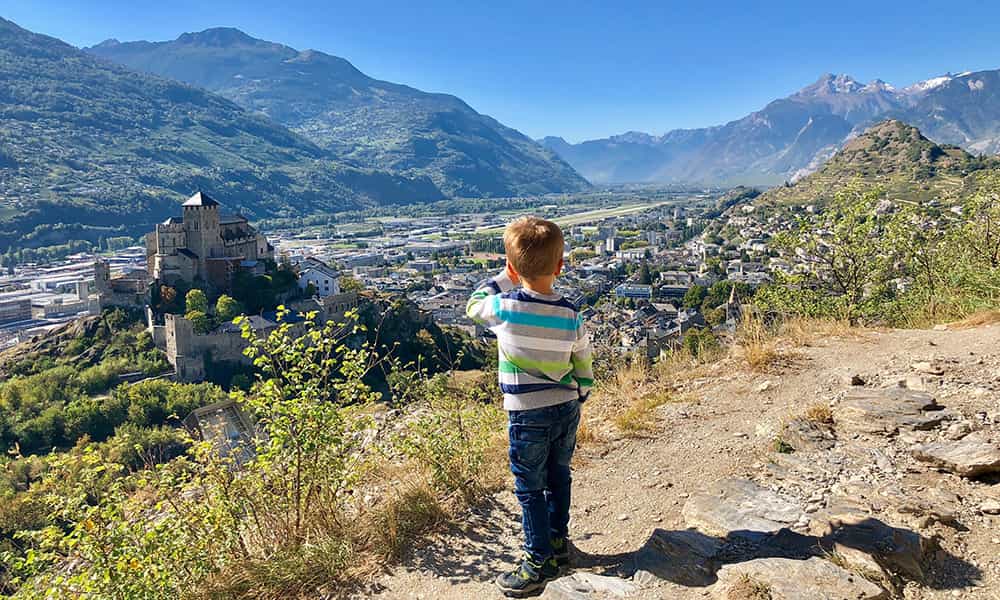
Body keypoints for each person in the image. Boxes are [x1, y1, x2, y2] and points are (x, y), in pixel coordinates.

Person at [466, 216, 593, 597]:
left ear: (511, 266)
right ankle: (557, 542)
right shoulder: (571, 314)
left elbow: (473, 304)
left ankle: (538, 562)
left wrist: (507, 276)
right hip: (567, 406)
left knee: (529, 487)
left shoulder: (504, 307)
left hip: (526, 411)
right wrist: (581, 392)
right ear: (560, 266)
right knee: (559, 476)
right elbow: (582, 361)